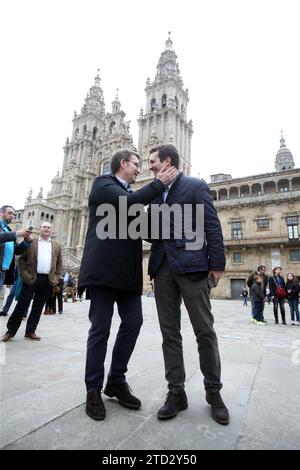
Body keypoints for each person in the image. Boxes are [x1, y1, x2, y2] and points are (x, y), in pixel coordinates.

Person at [78, 149, 178, 421]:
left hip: (127, 274)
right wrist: (159, 184)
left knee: (133, 322)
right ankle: (93, 389)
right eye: (136, 164)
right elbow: (129, 203)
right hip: (103, 271)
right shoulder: (103, 184)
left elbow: (146, 229)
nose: (139, 169)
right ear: (122, 164)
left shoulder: (131, 196)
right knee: (100, 329)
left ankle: (116, 380)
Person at [147, 144, 229, 425]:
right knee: (169, 334)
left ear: (167, 161)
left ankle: (214, 393)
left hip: (193, 267)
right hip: (162, 269)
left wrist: (217, 264)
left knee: (204, 331)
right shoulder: (155, 194)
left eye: (153, 161)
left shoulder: (194, 185)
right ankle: (176, 392)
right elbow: (152, 233)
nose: (149, 166)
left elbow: (212, 225)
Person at [1, 222, 62, 342]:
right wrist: (25, 275)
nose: (46, 229)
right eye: (44, 227)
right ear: (40, 229)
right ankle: (10, 332)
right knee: (22, 305)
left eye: (48, 227)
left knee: (38, 307)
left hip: (47, 280)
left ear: (52, 230)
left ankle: (30, 331)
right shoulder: (32, 242)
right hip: (31, 278)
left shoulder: (56, 245)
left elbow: (59, 263)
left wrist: (55, 277)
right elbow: (21, 260)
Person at [0, 205, 32, 292]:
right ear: (1, 213)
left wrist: (26, 241)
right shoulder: (11, 232)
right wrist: (16, 233)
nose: (12, 216)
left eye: (13, 214)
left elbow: (16, 251)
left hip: (3, 270)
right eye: (9, 213)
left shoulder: (8, 230)